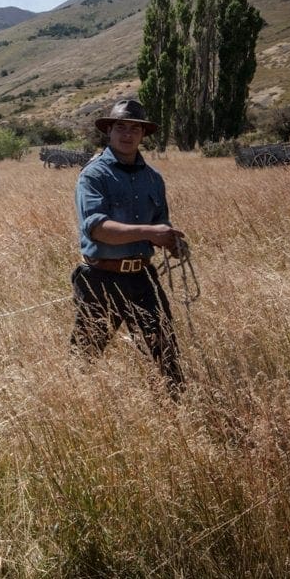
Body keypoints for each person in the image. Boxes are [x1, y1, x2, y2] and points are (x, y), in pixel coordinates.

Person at [70, 98, 186, 394]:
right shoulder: (94, 174)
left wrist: (174, 244)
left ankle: (177, 415)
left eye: (135, 128)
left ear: (143, 134)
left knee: (165, 355)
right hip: (101, 280)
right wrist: (150, 232)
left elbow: (161, 227)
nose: (127, 134)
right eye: (120, 126)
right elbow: (98, 229)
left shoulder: (153, 179)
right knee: (85, 356)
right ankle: (75, 409)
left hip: (143, 278)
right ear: (108, 131)